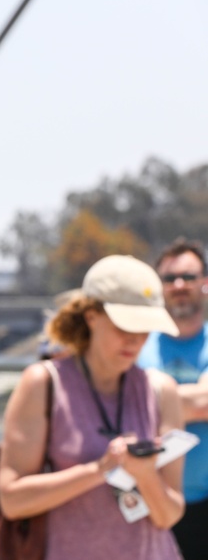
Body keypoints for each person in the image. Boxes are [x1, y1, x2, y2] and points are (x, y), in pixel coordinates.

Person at [0, 254, 186, 559]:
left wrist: (145, 474)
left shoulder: (162, 390)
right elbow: (11, 501)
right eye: (124, 326)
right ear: (91, 316)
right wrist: (100, 470)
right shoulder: (44, 384)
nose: (136, 340)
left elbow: (168, 516)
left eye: (145, 328)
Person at [137, 238, 208, 558]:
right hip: (145, 502)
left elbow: (205, 403)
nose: (179, 285)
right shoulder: (135, 344)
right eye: (169, 278)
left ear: (205, 283)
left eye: (189, 277)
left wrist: (145, 402)